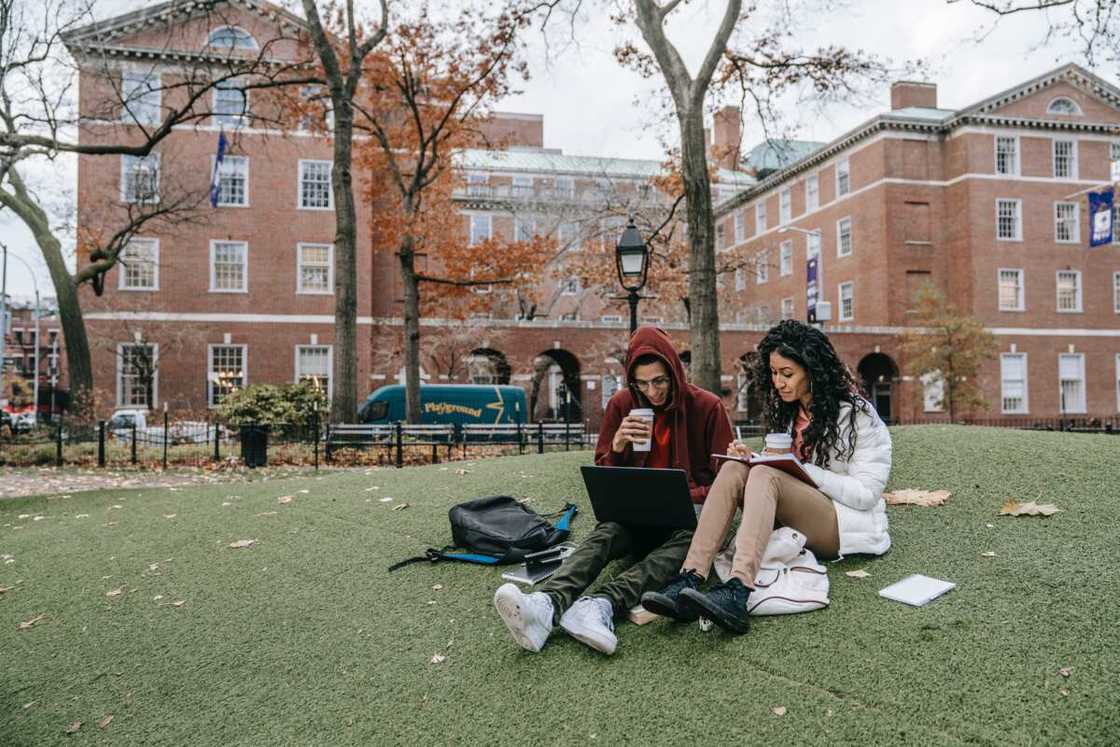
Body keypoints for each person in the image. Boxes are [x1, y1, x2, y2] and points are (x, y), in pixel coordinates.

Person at [493, 325, 733, 655]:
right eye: (642, 383)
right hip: (636, 517)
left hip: (686, 519)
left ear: (675, 373)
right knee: (606, 532)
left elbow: (727, 482)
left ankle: (601, 604)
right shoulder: (621, 405)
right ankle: (545, 604)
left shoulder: (707, 407)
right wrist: (618, 445)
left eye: (660, 381)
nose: (653, 392)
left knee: (692, 540)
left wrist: (686, 495)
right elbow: (605, 477)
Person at [642, 319, 892, 634]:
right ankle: (689, 577)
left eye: (787, 374)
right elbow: (781, 470)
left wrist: (795, 468)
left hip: (841, 522)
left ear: (813, 370)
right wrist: (752, 457)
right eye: (774, 373)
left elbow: (866, 493)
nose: (779, 383)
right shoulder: (789, 412)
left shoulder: (857, 415)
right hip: (793, 513)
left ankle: (737, 589)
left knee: (765, 474)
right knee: (735, 467)